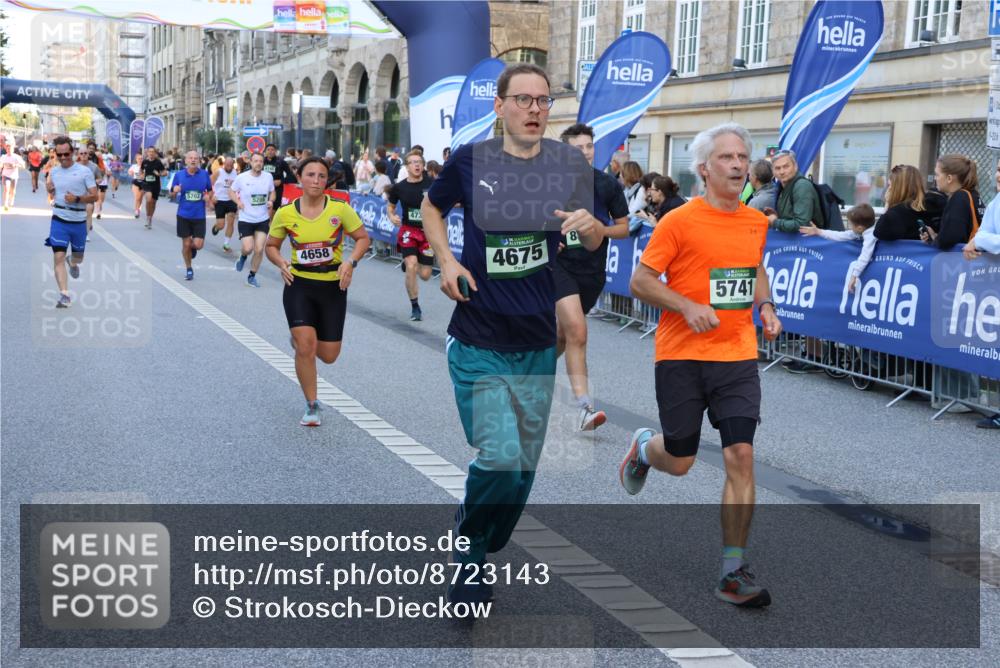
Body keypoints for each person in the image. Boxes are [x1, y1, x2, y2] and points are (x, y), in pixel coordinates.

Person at [420, 63, 603, 605]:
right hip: (477, 334)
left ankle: (476, 528)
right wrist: (447, 260)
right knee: (500, 457)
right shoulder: (471, 160)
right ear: (499, 107)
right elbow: (432, 207)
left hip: (536, 343)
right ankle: (471, 557)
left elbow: (589, 239)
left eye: (543, 101)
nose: (534, 109)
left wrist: (591, 230)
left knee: (519, 471)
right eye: (522, 100)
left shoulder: (568, 163)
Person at [621, 122, 781, 608]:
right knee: (683, 460)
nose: (737, 164)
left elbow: (754, 268)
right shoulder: (679, 221)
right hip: (682, 354)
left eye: (742, 157)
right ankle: (646, 450)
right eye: (727, 157)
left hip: (735, 355)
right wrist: (685, 306)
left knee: (741, 456)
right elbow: (640, 281)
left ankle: (733, 570)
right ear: (704, 168)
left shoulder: (756, 221)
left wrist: (768, 306)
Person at [266, 156, 371, 426]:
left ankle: (302, 344)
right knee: (306, 347)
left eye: (321, 176)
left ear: (327, 181)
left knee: (328, 355)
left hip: (332, 287)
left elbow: (362, 239)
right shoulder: (286, 213)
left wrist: (351, 262)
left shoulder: (340, 209)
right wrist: (281, 262)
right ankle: (312, 405)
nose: (316, 180)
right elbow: (271, 246)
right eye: (310, 175)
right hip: (299, 284)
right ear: (299, 178)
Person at [556, 123, 630, 430]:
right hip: (558, 267)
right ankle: (585, 407)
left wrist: (601, 230)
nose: (585, 152)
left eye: (589, 146)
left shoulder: (607, 185)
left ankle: (528, 381)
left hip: (592, 271)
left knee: (562, 336)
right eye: (577, 148)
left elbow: (623, 227)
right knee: (578, 330)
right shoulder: (549, 183)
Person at [962, 158, 1000, 429]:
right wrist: (978, 240)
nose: (998, 174)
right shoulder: (997, 202)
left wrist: (980, 241)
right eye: (997, 169)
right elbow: (986, 231)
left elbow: (985, 237)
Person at [43, 136, 99, 308]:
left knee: (78, 257)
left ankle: (72, 262)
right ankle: (64, 295)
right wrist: (50, 190)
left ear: (73, 152)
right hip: (59, 219)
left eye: (66, 153)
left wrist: (76, 198)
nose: (63, 157)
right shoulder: (55, 171)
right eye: (59, 155)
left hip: (78, 220)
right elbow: (52, 192)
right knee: (57, 257)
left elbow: (95, 196)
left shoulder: (85, 172)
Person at [387, 150, 434, 321]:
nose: (416, 165)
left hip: (428, 232)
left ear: (423, 165)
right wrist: (392, 217)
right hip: (408, 231)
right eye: (413, 162)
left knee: (426, 275)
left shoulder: (432, 183)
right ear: (407, 167)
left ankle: (408, 263)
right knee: (412, 265)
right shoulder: (399, 187)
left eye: (419, 162)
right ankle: (415, 306)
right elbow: (390, 207)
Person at [800, 204, 877, 293]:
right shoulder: (859, 231)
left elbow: (865, 256)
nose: (850, 227)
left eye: (851, 224)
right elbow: (839, 235)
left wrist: (854, 275)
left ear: (859, 228)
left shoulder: (870, 236)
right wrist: (818, 231)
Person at [230, 152, 275, 287]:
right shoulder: (242, 177)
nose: (258, 163)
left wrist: (271, 201)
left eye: (261, 161)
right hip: (246, 218)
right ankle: (243, 256)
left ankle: (251, 276)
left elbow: (272, 192)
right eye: (256, 161)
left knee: (259, 249)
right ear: (250, 162)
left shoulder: (268, 177)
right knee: (248, 248)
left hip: (262, 218)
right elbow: (231, 191)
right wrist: (238, 202)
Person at [171, 150, 214, 281]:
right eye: (191, 158)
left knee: (198, 245)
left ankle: (192, 249)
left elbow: (210, 191)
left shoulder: (204, 175)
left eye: (196, 158)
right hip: (183, 214)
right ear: (186, 161)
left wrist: (208, 197)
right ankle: (189, 268)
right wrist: (175, 190)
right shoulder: (179, 175)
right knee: (185, 244)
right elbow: (171, 194)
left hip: (199, 216)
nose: (193, 160)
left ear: (199, 161)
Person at [922, 154, 981, 249]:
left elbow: (949, 239)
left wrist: (935, 238)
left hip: (963, 260)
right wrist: (934, 236)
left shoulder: (959, 198)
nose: (935, 178)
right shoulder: (973, 194)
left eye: (937, 174)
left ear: (949, 178)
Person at [764, 149, 822, 232]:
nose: (782, 171)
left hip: (806, 243)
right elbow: (791, 218)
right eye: (777, 168)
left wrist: (774, 222)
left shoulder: (801, 186)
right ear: (773, 172)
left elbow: (802, 224)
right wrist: (777, 216)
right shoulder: (783, 186)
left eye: (786, 166)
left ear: (795, 166)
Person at [872, 164, 927, 241]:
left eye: (890, 186)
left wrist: (888, 203)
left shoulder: (896, 213)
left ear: (898, 187)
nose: (888, 189)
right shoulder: (928, 207)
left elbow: (878, 232)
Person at [210, 156, 240, 253]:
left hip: (231, 200)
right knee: (221, 225)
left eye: (231, 165)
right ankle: (217, 226)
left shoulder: (236, 173)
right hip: (219, 200)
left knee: (231, 221)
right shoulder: (219, 172)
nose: (229, 167)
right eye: (227, 165)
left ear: (233, 165)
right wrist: (212, 196)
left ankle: (226, 244)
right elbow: (209, 182)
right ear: (224, 164)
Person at [75, 147, 102, 239]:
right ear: (78, 155)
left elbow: (100, 177)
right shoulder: (75, 166)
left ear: (88, 155)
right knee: (78, 214)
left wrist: (97, 181)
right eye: (81, 153)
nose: (83, 155)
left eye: (85, 153)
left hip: (89, 194)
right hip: (77, 194)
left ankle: (85, 234)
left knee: (89, 210)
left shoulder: (94, 166)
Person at [139, 146, 168, 229]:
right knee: (148, 199)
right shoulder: (144, 162)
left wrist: (159, 174)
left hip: (156, 185)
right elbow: (141, 170)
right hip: (147, 183)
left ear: (155, 153)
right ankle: (148, 217)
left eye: (153, 152)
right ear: (147, 153)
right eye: (149, 151)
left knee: (153, 202)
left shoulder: (158, 162)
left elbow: (165, 173)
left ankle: (150, 218)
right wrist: (141, 175)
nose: (151, 153)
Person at [263, 143, 296, 210]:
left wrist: (281, 181)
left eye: (272, 150)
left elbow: (291, 176)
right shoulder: (261, 161)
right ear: (265, 151)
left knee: (276, 209)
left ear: (275, 151)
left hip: (277, 190)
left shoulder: (281, 162)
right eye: (268, 150)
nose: (270, 151)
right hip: (263, 189)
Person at [128, 153, 144, 219]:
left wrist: (143, 175)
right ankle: (136, 211)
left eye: (141, 158)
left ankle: (138, 209)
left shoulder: (145, 166)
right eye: (139, 159)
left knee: (140, 198)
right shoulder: (134, 166)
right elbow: (129, 172)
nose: (140, 160)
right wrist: (131, 173)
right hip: (136, 182)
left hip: (143, 183)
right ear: (136, 159)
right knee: (137, 197)